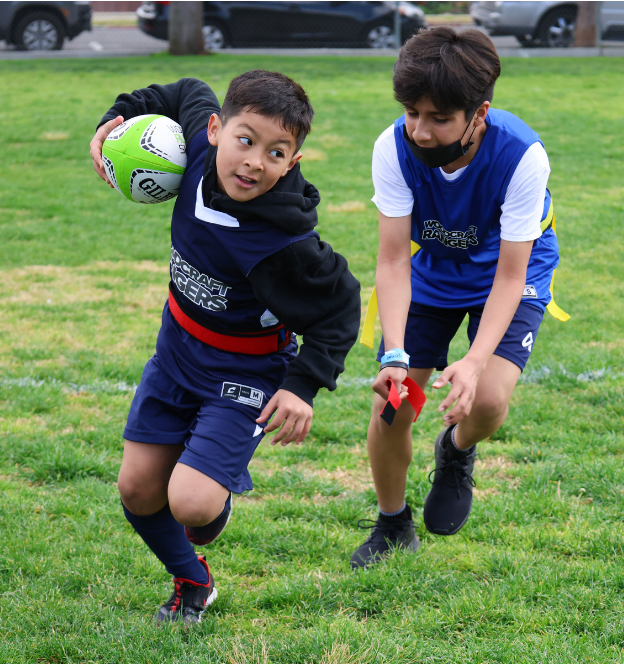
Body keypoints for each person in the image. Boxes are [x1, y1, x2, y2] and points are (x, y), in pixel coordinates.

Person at [90, 71, 360, 621]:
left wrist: (303, 386)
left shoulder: (283, 241)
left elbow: (341, 305)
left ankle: (212, 494)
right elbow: (184, 90)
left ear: (293, 162)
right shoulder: (195, 151)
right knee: (137, 490)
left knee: (192, 506)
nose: (254, 161)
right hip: (176, 352)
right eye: (246, 140)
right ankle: (193, 581)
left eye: (275, 152)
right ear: (215, 129)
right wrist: (114, 120)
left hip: (247, 371)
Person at [351, 27, 568, 569]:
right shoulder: (392, 146)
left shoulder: (521, 155)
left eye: (439, 118)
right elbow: (393, 260)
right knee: (392, 405)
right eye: (411, 113)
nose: (421, 131)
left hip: (508, 272)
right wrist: (395, 355)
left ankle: (455, 449)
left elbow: (511, 276)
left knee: (488, 400)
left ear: (479, 114)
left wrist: (473, 362)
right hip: (433, 270)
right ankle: (392, 523)